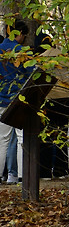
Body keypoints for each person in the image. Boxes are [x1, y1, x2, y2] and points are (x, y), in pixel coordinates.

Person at [0, 21, 33, 183]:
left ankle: (1, 175)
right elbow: (32, 73)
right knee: (21, 138)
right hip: (19, 98)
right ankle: (21, 175)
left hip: (0, 98)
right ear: (19, 32)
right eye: (23, 35)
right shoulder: (21, 51)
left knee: (2, 140)